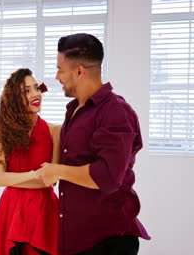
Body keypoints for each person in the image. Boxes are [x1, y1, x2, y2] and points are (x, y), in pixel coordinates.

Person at [37, 33, 151, 255]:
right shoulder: (73, 109)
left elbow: (107, 175)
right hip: (77, 238)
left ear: (79, 71)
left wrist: (56, 171)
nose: (57, 76)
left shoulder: (115, 111)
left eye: (60, 69)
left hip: (107, 240)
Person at [0, 68, 61, 255]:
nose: (35, 94)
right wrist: (35, 175)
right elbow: (0, 179)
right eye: (26, 90)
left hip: (44, 211)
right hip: (12, 210)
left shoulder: (54, 131)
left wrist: (17, 178)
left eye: (36, 88)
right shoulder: (4, 135)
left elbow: (51, 180)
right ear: (15, 98)